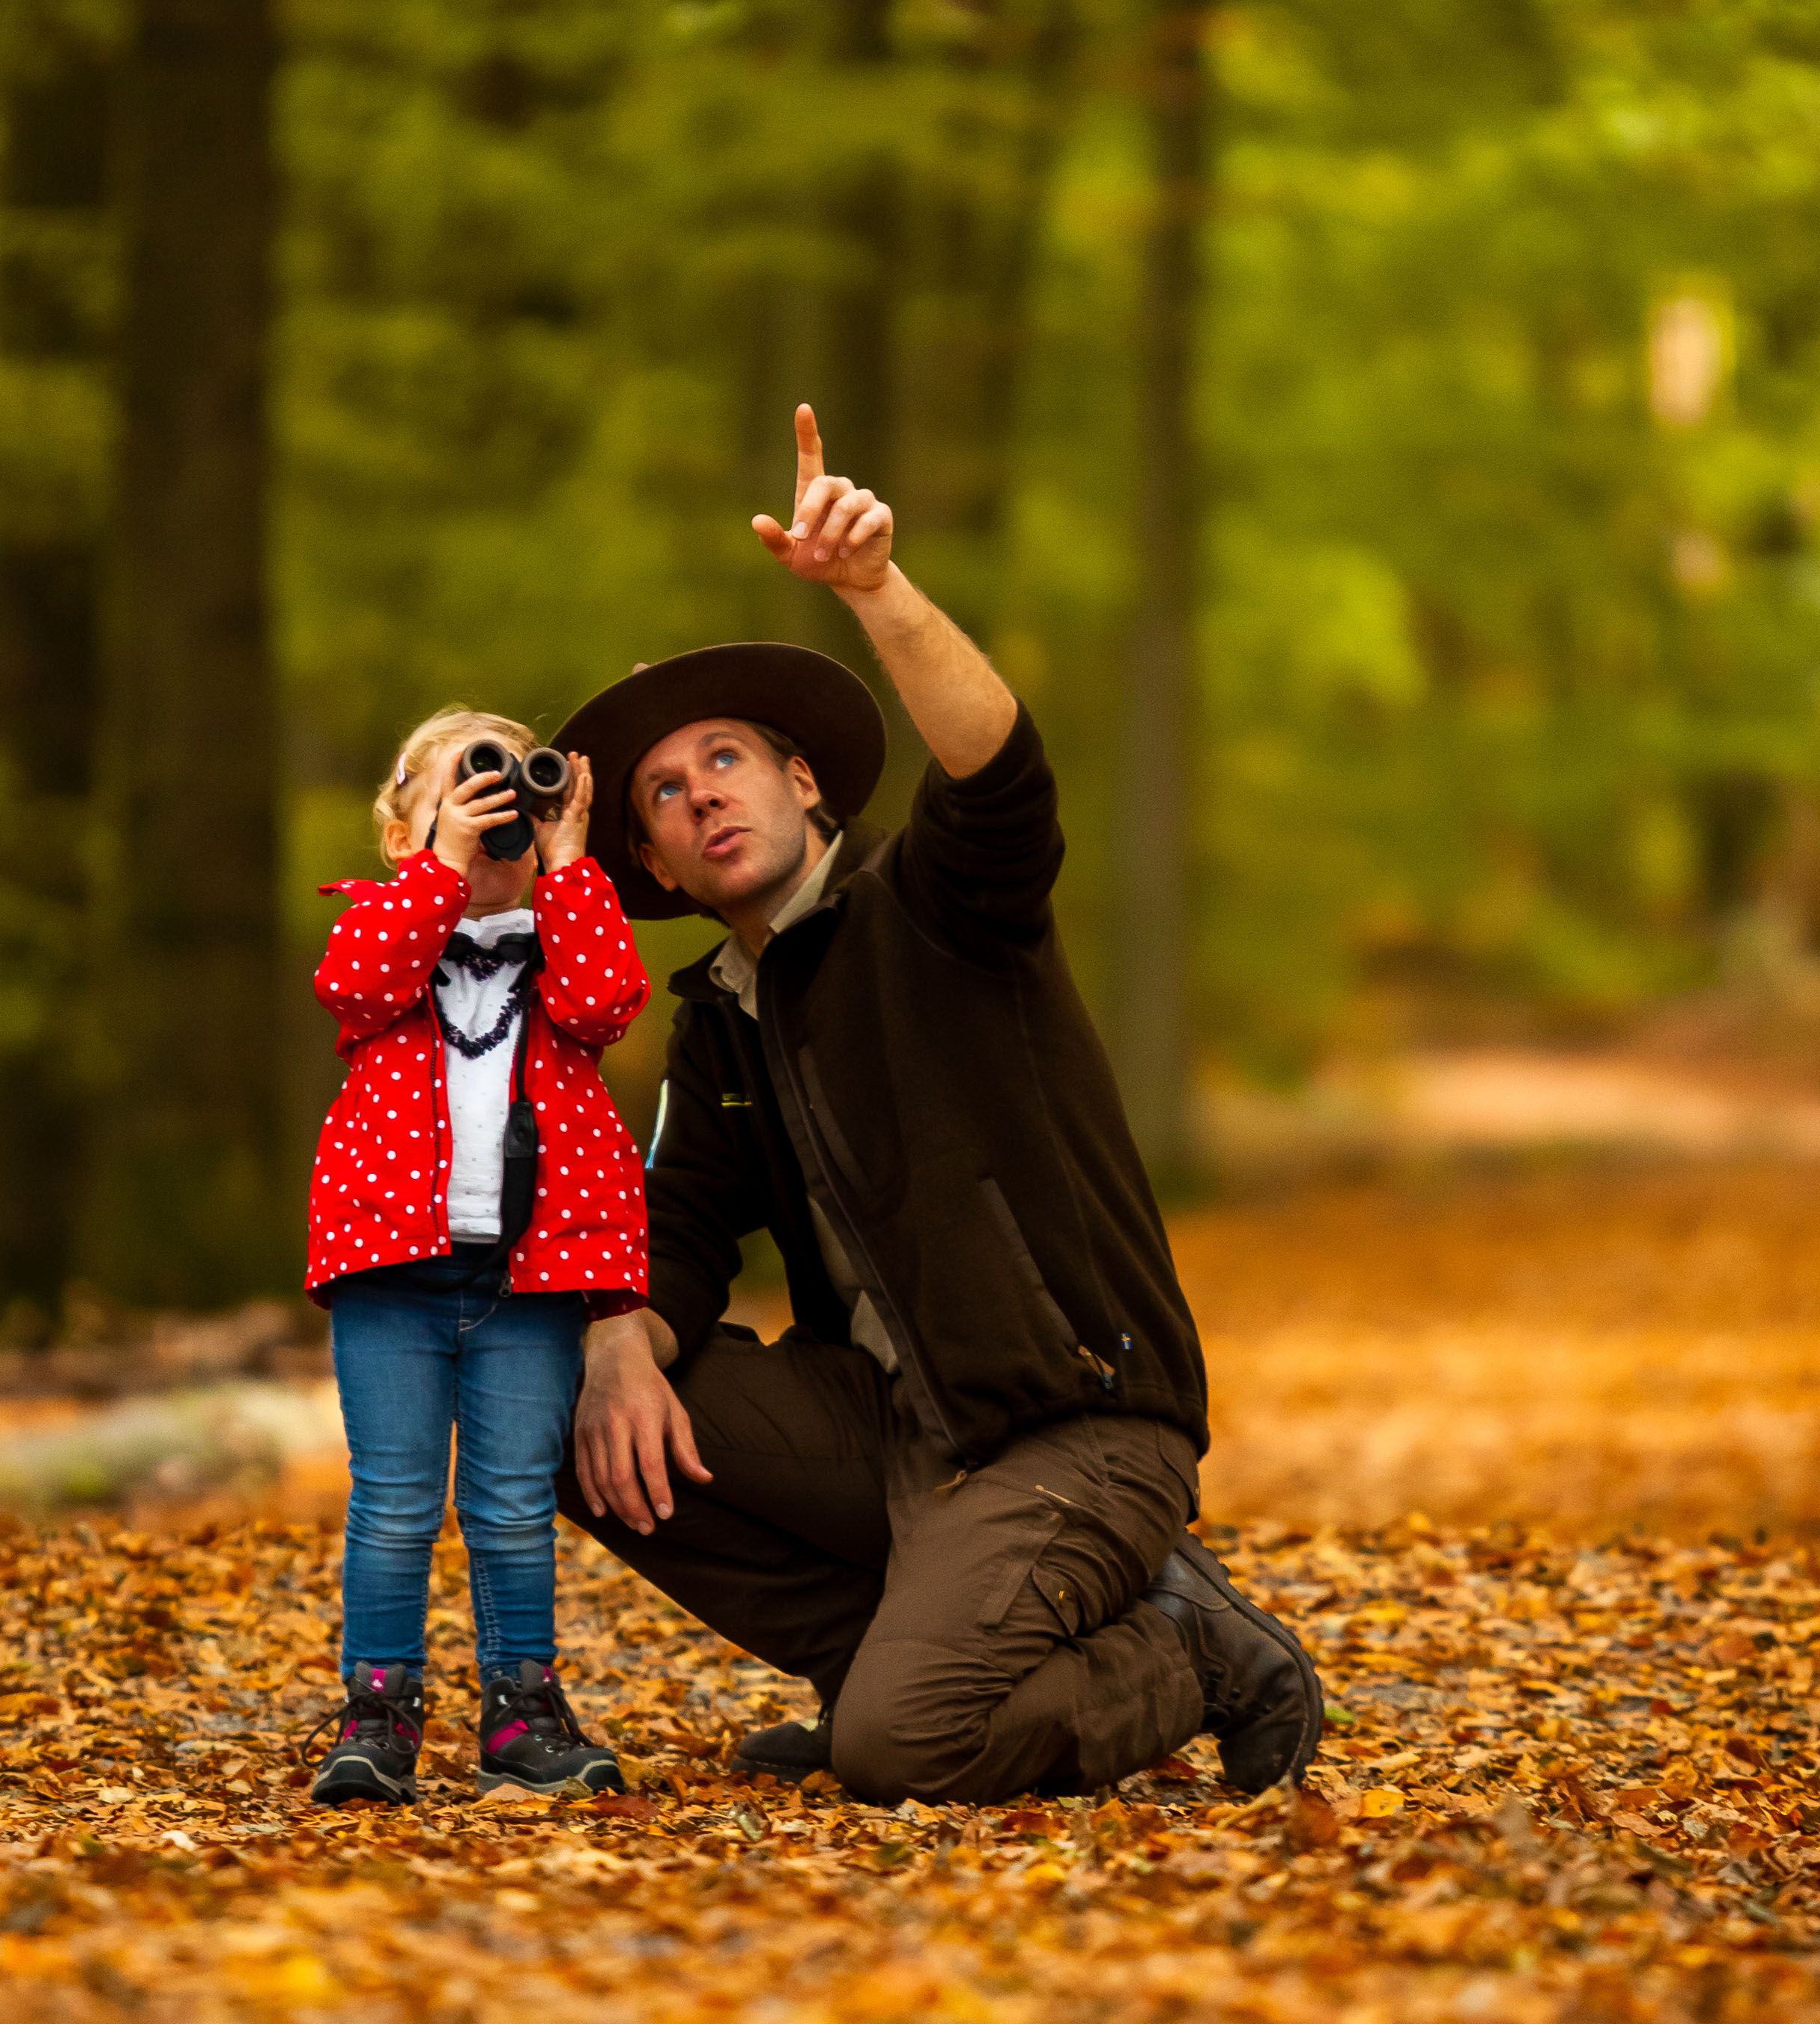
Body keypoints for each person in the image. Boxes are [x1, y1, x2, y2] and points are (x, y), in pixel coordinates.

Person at [552, 406, 1324, 1808]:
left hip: (1072, 1426)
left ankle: (1183, 1649)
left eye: (724, 759)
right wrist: (614, 1339)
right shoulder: (719, 1018)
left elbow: (1002, 778)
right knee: (566, 1397)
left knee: (909, 1751)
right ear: (654, 862)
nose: (698, 797)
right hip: (891, 1429)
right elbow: (677, 1236)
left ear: (801, 780)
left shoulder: (935, 907)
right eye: (664, 793)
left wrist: (872, 590)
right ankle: (875, 1662)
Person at [304, 708, 650, 1809]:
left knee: (509, 1503)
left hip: (527, 1280)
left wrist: (569, 864)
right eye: (466, 792)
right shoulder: (384, 930)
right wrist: (444, 870)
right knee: (396, 1501)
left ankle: (522, 1710)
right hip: (390, 1272)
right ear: (406, 833)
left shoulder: (559, 948)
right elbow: (354, 987)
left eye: (515, 792)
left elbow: (606, 1005)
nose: (493, 812)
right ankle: (378, 1709)